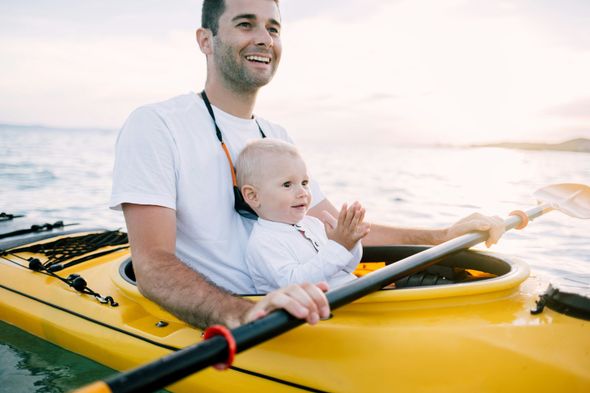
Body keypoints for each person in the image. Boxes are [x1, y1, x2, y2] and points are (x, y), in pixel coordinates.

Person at [110, 0, 505, 330]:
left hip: (307, 307)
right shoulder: (157, 124)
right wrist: (244, 314)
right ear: (206, 40)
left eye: (274, 28)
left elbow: (340, 230)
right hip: (248, 318)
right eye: (246, 24)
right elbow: (152, 264)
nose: (264, 39)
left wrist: (442, 236)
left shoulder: (275, 134)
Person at [236, 139, 370, 293]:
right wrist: (338, 247)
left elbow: (346, 268)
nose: (303, 192)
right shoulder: (264, 242)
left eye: (305, 183)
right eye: (287, 184)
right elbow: (294, 284)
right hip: (318, 311)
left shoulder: (313, 224)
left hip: (350, 296)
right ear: (253, 196)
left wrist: (350, 242)